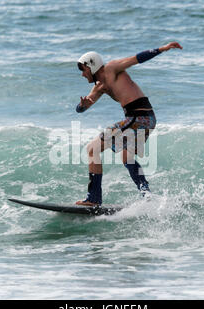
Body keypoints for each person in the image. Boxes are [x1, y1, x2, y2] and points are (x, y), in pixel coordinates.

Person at [75, 41, 183, 206]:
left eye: (83, 70)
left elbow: (137, 59)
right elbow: (82, 108)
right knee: (126, 156)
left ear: (92, 65)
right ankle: (147, 195)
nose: (82, 74)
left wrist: (162, 49)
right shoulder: (99, 88)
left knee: (92, 149)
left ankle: (94, 198)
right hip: (148, 119)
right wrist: (82, 106)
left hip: (139, 117)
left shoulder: (112, 68)